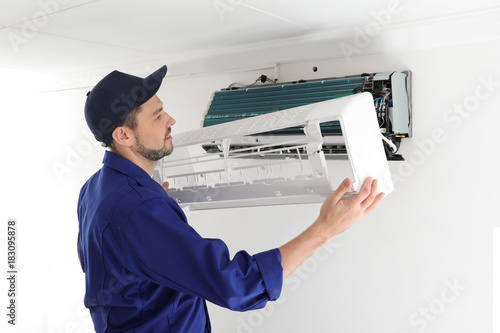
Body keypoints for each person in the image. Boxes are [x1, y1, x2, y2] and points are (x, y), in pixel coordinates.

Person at [77, 65, 384, 333]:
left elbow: (120, 263)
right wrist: (324, 230)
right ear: (123, 136)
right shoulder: (140, 210)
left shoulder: (96, 189)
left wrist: (156, 213)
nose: (171, 119)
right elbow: (237, 286)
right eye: (157, 116)